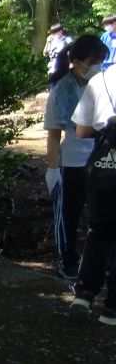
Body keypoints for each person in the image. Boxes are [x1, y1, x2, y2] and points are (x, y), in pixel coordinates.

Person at [43, 35, 109, 279]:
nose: (98, 65)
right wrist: (52, 169)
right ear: (78, 61)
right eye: (95, 60)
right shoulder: (62, 89)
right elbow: (53, 134)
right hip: (72, 161)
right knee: (68, 214)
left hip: (102, 158)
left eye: (102, 60)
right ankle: (66, 259)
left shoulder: (102, 83)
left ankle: (98, 263)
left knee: (101, 214)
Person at [69, 59, 116, 323]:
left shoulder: (100, 81)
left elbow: (81, 130)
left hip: (103, 167)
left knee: (98, 232)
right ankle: (111, 309)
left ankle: (85, 294)